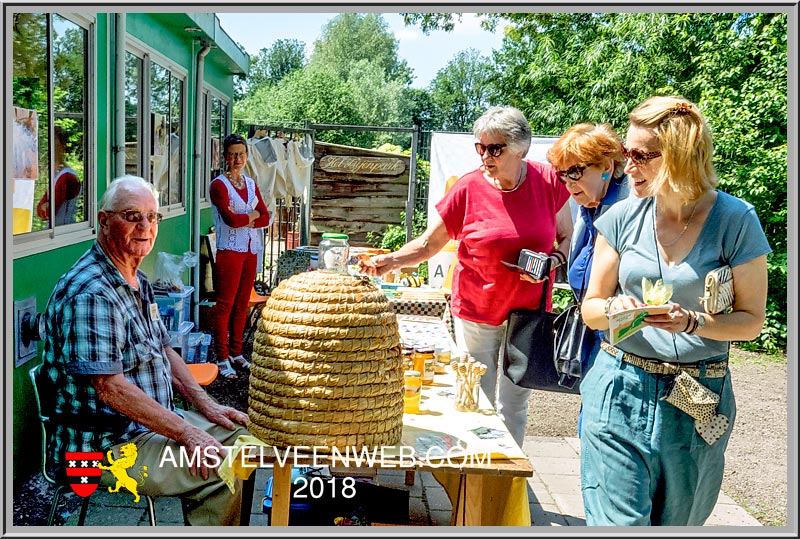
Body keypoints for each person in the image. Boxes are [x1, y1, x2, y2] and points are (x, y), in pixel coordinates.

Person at [580, 96, 771, 526]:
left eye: (641, 156)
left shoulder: (736, 220)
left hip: (697, 395)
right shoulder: (621, 217)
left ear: (681, 156)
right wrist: (613, 307)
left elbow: (752, 322)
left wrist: (695, 322)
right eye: (624, 154)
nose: (627, 167)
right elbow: (590, 308)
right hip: (619, 386)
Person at [39, 175, 251, 526]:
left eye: (153, 217)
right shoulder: (91, 293)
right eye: (132, 216)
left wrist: (207, 406)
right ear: (104, 221)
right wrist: (186, 433)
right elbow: (111, 388)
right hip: (101, 448)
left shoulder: (136, 279)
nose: (146, 227)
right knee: (223, 468)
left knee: (245, 442)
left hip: (144, 429)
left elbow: (164, 349)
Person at [361, 106, 572, 446]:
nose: (485, 156)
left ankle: (505, 479)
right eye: (480, 147)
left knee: (515, 402)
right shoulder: (468, 188)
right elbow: (430, 243)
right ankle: (477, 468)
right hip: (477, 311)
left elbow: (565, 236)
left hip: (529, 314)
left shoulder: (548, 181)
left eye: (495, 148)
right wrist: (389, 261)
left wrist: (552, 262)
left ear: (521, 149)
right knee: (478, 395)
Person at [544, 123, 630, 432]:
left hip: (619, 335)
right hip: (593, 326)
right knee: (591, 415)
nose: (567, 183)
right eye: (562, 175)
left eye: (576, 172)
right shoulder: (589, 206)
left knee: (602, 423)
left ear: (607, 167)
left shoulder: (627, 208)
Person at [209, 133, 270, 378]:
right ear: (225, 156)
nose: (237, 159)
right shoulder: (218, 185)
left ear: (247, 156)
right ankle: (221, 356)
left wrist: (250, 217)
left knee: (242, 303)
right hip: (229, 251)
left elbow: (266, 216)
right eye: (233, 154)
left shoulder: (251, 184)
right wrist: (252, 215)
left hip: (249, 250)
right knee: (225, 304)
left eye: (241, 154)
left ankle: (236, 352)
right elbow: (230, 220)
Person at [36, 125, 81, 226]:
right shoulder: (56, 174)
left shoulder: (67, 176)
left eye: (54, 140)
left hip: (63, 232)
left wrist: (45, 206)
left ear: (62, 145)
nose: (50, 145)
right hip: (54, 231)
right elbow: (39, 210)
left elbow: (49, 211)